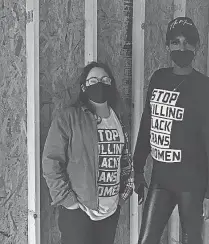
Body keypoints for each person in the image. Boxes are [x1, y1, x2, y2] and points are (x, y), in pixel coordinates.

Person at [133, 17, 209, 244]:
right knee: (147, 239)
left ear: (197, 47)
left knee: (191, 240)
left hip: (192, 181)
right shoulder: (158, 78)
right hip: (161, 178)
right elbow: (148, 123)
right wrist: (137, 167)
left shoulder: (206, 87)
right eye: (176, 42)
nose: (181, 47)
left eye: (187, 42)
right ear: (167, 46)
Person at [42, 61, 133, 244]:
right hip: (79, 213)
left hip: (110, 212)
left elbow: (125, 161)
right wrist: (69, 202)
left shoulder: (119, 118)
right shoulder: (69, 118)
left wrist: (122, 197)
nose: (99, 83)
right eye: (93, 81)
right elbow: (51, 162)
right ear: (84, 87)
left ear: (111, 84)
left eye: (105, 79)